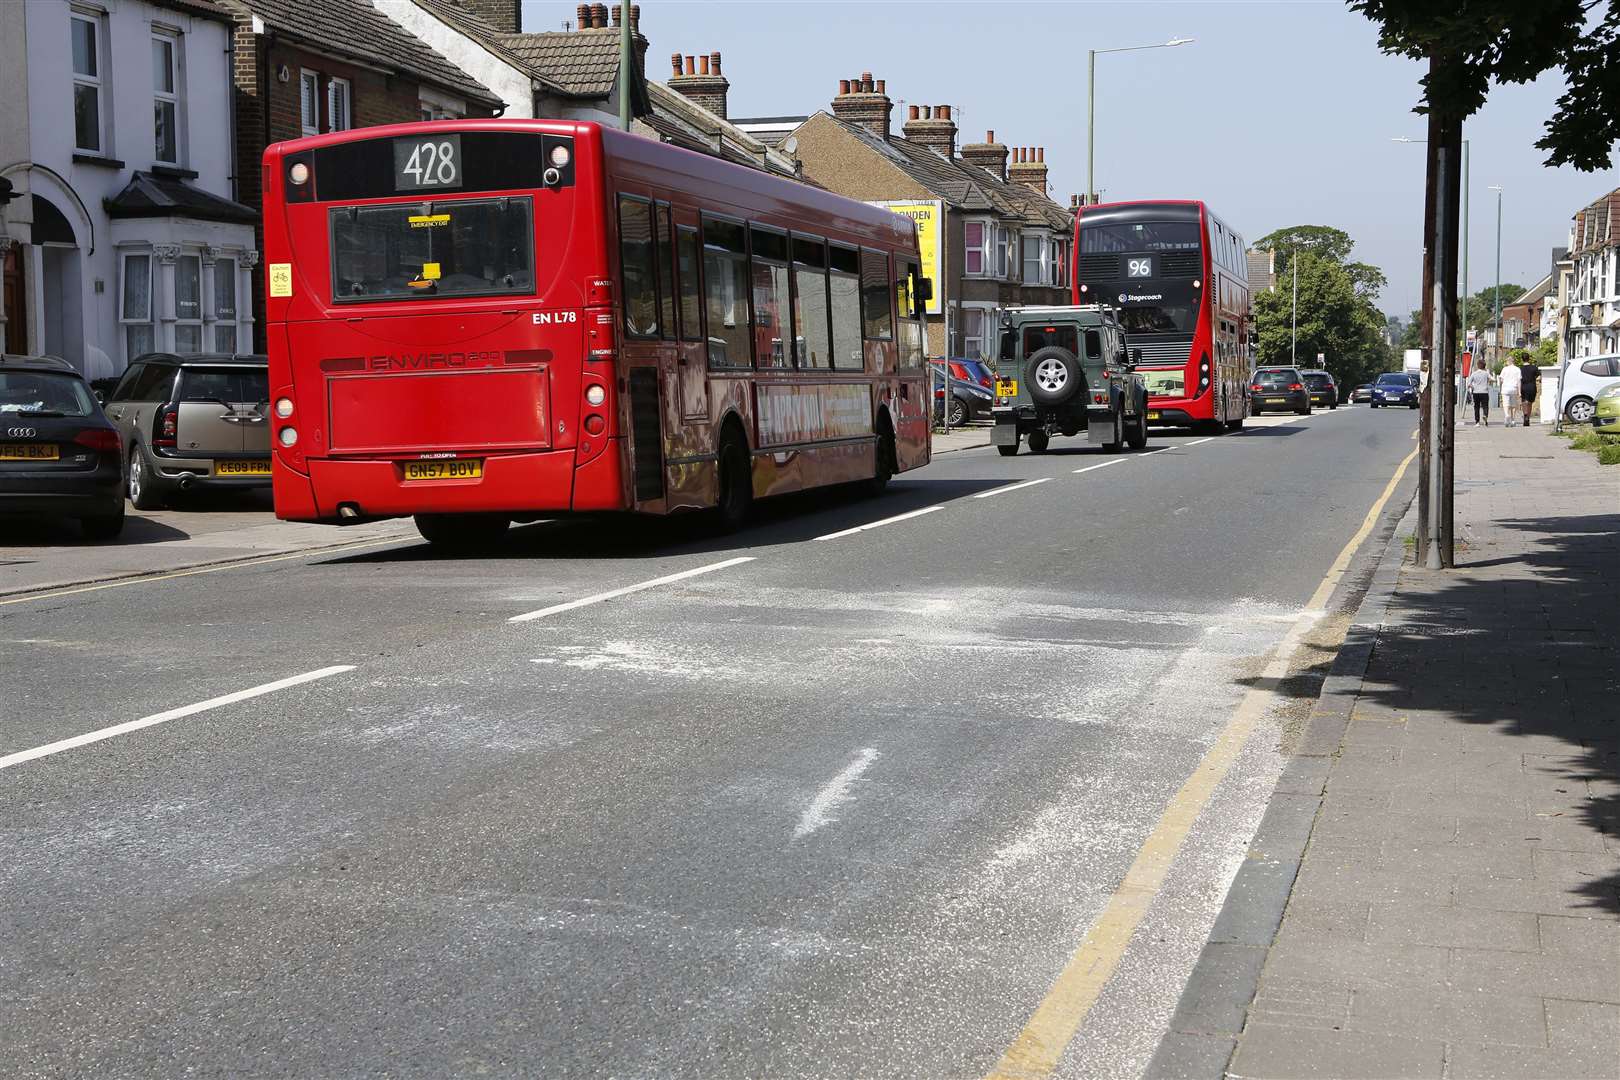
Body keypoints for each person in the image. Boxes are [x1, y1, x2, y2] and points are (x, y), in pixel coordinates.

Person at [1499, 355, 1522, 426]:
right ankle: (1513, 420)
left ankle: (1506, 415)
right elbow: (1519, 381)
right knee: (1513, 405)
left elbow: (1501, 379)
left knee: (1506, 404)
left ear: (1508, 361)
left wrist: (1501, 387)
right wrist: (1519, 392)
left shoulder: (1504, 369)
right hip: (1514, 388)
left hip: (1505, 389)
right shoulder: (1517, 369)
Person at [1519, 352, 1541, 426]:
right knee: (1530, 403)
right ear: (1529, 359)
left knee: (1524, 402)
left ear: (1522, 359)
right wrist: (1535, 379)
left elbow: (1518, 379)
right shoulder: (1534, 367)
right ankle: (1528, 417)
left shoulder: (1520, 369)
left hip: (1523, 386)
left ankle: (1525, 414)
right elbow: (1539, 377)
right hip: (1532, 386)